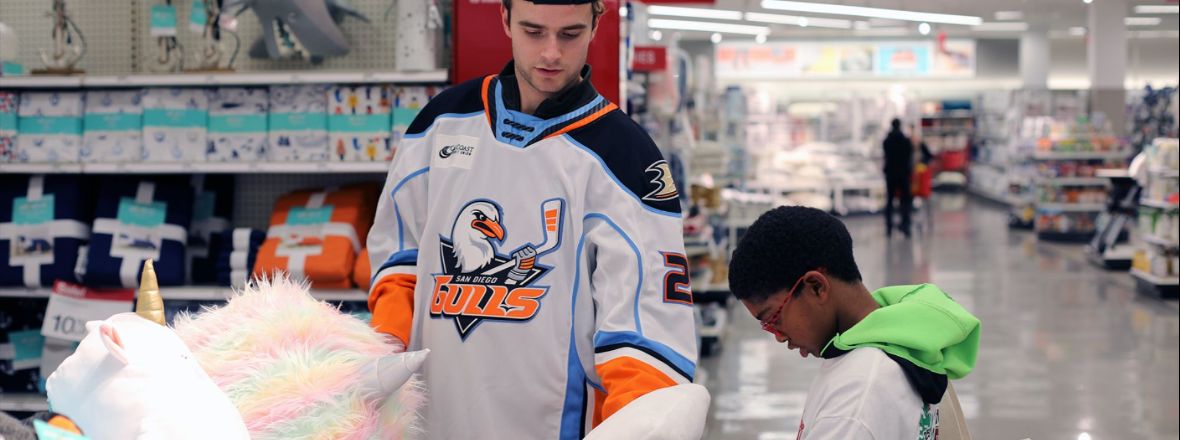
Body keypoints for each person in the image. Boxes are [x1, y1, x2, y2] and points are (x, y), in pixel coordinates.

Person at [365, 0, 698, 437]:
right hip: (431, 420)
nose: (551, 54)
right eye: (534, 31)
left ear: (597, 24)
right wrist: (383, 355)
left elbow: (645, 335)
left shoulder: (626, 157)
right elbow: (400, 260)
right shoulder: (442, 121)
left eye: (570, 34)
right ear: (504, 18)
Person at [728, 206, 980, 440]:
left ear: (816, 287)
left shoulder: (854, 404)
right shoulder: (908, 339)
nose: (778, 337)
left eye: (773, 318)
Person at [883, 118, 914, 237]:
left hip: (890, 174)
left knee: (890, 200)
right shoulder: (906, 140)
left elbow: (886, 156)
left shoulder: (887, 141)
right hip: (903, 174)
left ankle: (889, 227)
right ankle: (905, 226)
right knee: (905, 201)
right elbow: (908, 158)